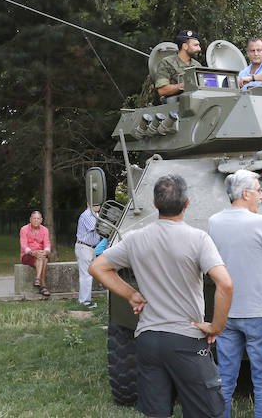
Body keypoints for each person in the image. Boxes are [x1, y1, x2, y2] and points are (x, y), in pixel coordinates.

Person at [88, 174, 233, 418]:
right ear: (187, 203)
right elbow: (226, 284)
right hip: (187, 340)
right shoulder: (199, 239)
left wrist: (131, 294)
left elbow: (97, 267)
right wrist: (217, 327)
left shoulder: (135, 238)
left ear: (154, 204)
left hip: (149, 340)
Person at [208, 170, 262, 418]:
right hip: (259, 312)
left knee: (225, 380)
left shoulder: (214, 221)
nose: (261, 195)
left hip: (227, 312)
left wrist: (259, 221)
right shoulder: (261, 223)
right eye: (258, 190)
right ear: (245, 194)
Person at [155, 30, 203, 98]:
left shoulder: (197, 65)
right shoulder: (167, 62)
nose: (199, 49)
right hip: (174, 105)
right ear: (185, 46)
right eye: (196, 45)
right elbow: (162, 90)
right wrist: (184, 85)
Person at [19, 210, 51, 297]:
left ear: (41, 220)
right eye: (34, 218)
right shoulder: (24, 229)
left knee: (43, 258)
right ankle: (43, 286)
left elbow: (47, 244)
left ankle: (38, 281)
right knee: (43, 259)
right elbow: (24, 246)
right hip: (27, 255)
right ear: (30, 219)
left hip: (40, 255)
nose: (36, 220)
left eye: (38, 219)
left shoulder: (45, 230)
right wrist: (33, 253)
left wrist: (45, 251)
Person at [75, 203, 101, 308]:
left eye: (99, 203)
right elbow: (96, 226)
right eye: (94, 203)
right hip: (84, 247)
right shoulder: (87, 215)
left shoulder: (96, 214)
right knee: (86, 275)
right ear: (88, 204)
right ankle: (84, 302)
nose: (97, 206)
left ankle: (86, 300)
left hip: (92, 248)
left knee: (90, 274)